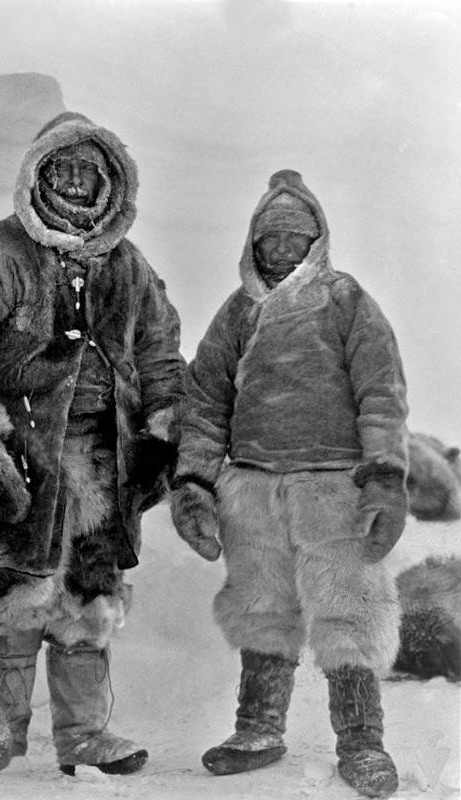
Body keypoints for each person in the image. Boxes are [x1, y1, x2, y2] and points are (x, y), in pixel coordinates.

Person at [0, 111, 185, 775]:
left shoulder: (128, 267)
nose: (73, 181)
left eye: (87, 171)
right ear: (37, 175)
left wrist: (162, 431)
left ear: (110, 184)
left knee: (90, 600)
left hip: (102, 459)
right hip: (22, 458)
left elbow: (159, 349)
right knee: (11, 597)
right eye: (60, 168)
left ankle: (86, 739)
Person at [170, 169, 408, 798]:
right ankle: (258, 728)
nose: (281, 249)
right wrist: (193, 483)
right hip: (250, 488)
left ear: (316, 241)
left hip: (334, 488)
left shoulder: (346, 300)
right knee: (262, 608)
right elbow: (204, 401)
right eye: (270, 238)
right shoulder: (238, 310)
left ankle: (362, 742)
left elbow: (380, 392)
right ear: (254, 243)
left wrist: (384, 477)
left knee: (348, 612)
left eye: (294, 238)